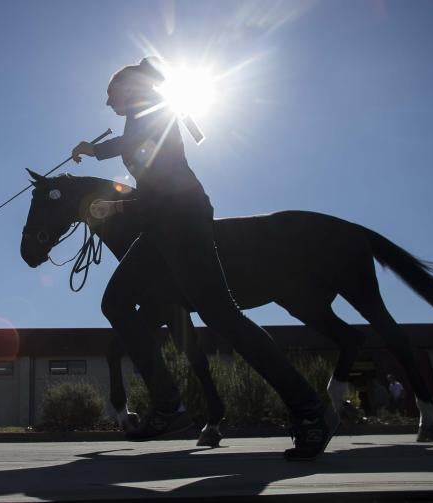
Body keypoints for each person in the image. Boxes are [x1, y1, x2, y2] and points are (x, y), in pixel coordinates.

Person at [71, 57, 338, 460]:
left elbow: (150, 166)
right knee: (116, 302)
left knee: (224, 317)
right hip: (160, 228)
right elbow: (148, 176)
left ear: (132, 89)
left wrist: (97, 158)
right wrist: (109, 186)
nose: (108, 103)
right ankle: (168, 406)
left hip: (183, 223)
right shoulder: (140, 119)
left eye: (112, 94)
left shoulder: (155, 112)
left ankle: (310, 410)